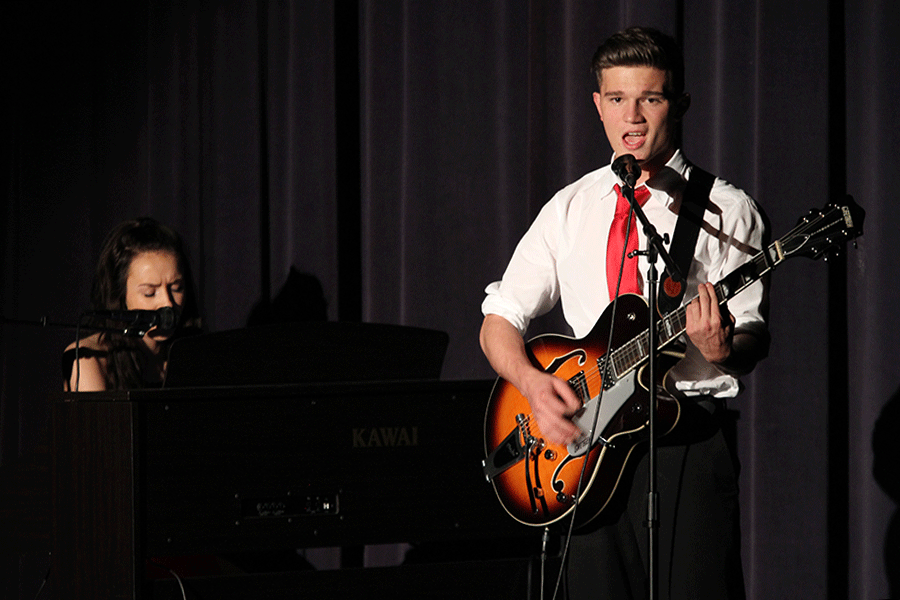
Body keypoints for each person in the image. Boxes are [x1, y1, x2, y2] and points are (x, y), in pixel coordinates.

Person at [480, 27, 769, 600]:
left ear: (679, 104)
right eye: (616, 99)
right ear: (597, 105)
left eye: (650, 99)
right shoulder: (570, 207)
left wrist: (721, 349)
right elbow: (500, 319)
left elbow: (753, 334)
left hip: (686, 442)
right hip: (587, 450)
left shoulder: (725, 208)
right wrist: (533, 385)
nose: (631, 118)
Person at [63, 217, 201, 391]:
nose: (167, 303)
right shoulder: (90, 359)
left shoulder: (196, 355)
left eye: (176, 288)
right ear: (120, 295)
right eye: (149, 292)